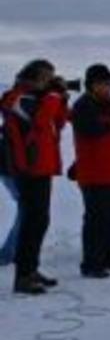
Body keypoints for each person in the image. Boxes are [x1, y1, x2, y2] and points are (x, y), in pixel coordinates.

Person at [0, 59, 68, 294]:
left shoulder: (41, 99)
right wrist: (54, 95)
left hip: (41, 167)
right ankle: (23, 276)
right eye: (48, 77)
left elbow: (57, 123)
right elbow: (39, 121)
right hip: (27, 169)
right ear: (34, 77)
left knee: (40, 221)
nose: (51, 81)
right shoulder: (17, 97)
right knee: (32, 221)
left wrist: (62, 98)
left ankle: (31, 269)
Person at [71, 64, 110, 279]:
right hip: (96, 174)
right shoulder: (83, 106)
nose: (109, 87)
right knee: (96, 220)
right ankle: (91, 264)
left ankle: (109, 258)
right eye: (105, 83)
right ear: (93, 85)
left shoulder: (108, 105)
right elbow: (88, 130)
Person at [0, 112, 21, 266]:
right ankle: (8, 253)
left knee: (26, 210)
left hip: (11, 171)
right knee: (26, 210)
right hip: (12, 172)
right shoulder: (12, 128)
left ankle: (10, 251)